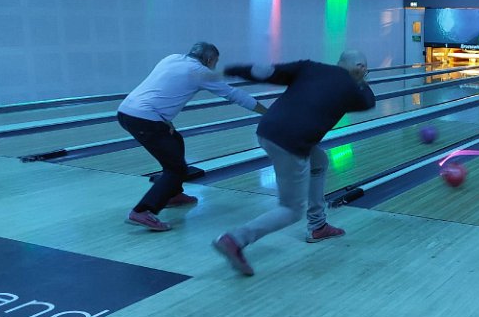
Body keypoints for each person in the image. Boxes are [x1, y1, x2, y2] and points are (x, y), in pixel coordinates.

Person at [213, 50, 376, 276]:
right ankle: (236, 239)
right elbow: (368, 101)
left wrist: (233, 69)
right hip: (290, 143)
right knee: (290, 209)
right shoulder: (352, 88)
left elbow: (267, 72)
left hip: (266, 130)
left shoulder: (310, 66)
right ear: (357, 68)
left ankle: (318, 226)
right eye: (362, 66)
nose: (364, 69)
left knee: (319, 161)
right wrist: (361, 81)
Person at [118, 42, 267, 232]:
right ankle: (142, 211)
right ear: (209, 59)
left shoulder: (171, 58)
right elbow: (234, 94)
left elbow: (161, 87)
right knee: (177, 169)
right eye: (215, 61)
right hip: (145, 119)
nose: (214, 66)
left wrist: (163, 119)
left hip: (126, 111)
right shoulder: (199, 71)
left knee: (176, 140)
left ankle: (173, 195)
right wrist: (267, 113)